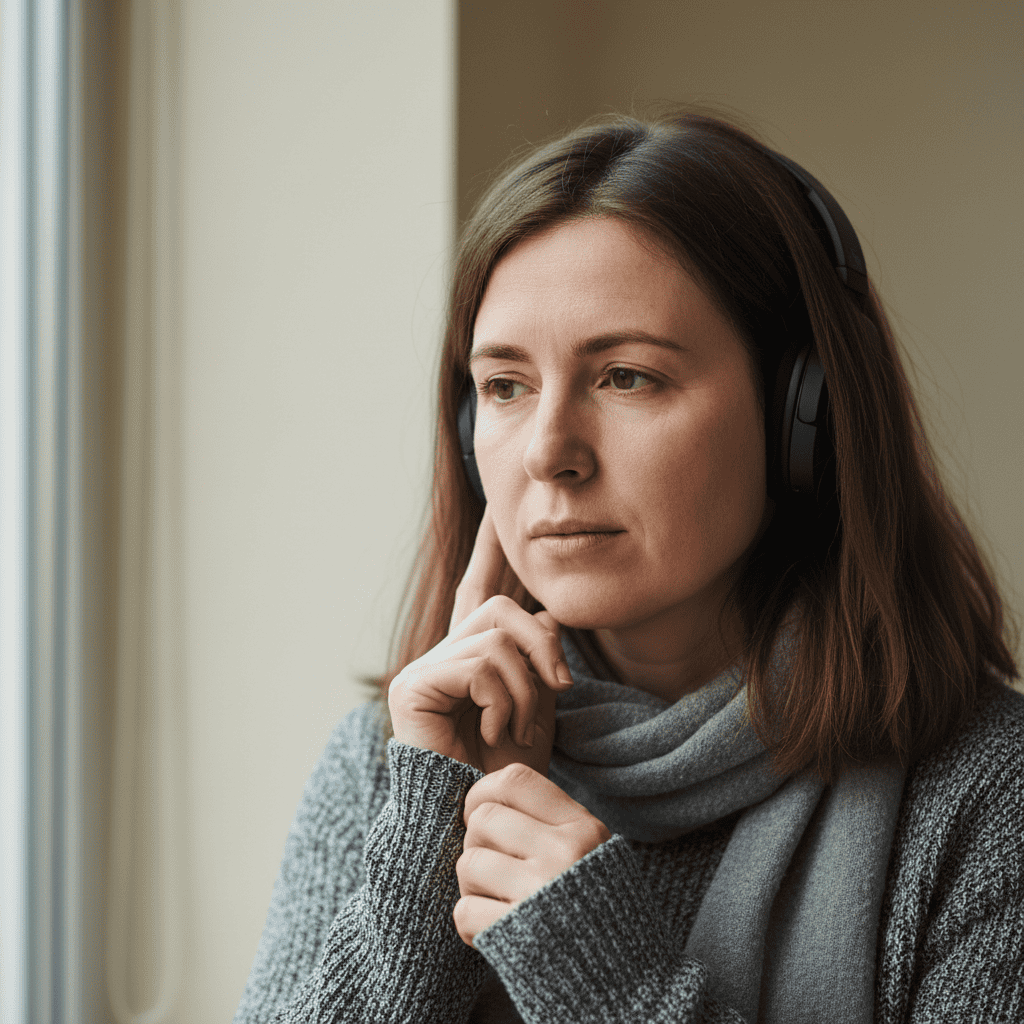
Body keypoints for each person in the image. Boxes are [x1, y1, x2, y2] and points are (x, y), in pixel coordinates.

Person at [233, 110, 1023, 1024]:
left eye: (627, 377)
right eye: (506, 387)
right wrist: (424, 855)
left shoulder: (988, 798)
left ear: (800, 420)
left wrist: (604, 979)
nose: (549, 452)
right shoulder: (393, 768)